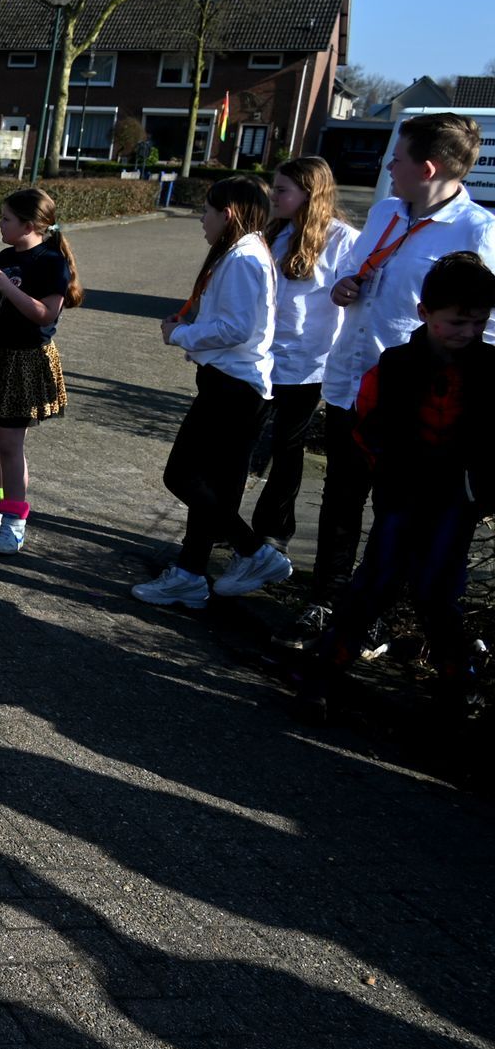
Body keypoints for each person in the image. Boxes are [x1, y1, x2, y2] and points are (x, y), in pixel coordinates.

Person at [281, 113, 495, 648]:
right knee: (340, 496)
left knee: (394, 509)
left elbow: (484, 329)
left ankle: (371, 614)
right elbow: (352, 270)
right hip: (351, 380)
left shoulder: (477, 232)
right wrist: (344, 285)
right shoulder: (384, 213)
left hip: (409, 400)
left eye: (396, 159)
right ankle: (326, 600)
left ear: (428, 169)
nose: (388, 167)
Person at [296, 252, 495, 718]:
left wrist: (479, 489)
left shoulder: (491, 370)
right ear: (425, 312)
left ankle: (456, 684)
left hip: (457, 502)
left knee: (437, 593)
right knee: (373, 585)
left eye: (479, 322)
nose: (468, 331)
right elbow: (368, 423)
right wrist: (387, 468)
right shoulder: (396, 365)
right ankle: (324, 674)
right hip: (402, 495)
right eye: (458, 321)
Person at [132, 176, 288, 608]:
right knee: (211, 487)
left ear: (228, 214)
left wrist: (182, 334)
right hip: (234, 384)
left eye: (206, 211)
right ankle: (190, 573)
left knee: (181, 475)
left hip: (233, 388)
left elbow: (238, 329)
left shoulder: (244, 258)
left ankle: (254, 552)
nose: (202, 219)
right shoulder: (245, 253)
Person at [0, 187, 83, 556]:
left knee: (11, 444)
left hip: (24, 361)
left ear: (28, 225)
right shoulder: (6, 256)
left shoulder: (51, 262)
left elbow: (45, 315)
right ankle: (0, 507)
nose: (0, 224)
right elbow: (0, 305)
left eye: (6, 219)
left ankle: (15, 524)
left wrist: (6, 289)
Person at [248, 157, 361, 554]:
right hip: (260, 357)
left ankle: (274, 531)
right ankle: (226, 524)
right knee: (243, 442)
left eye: (282, 190)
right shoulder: (274, 231)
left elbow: (354, 297)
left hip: (306, 365)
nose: (273, 196)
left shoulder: (344, 240)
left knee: (287, 447)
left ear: (309, 194)